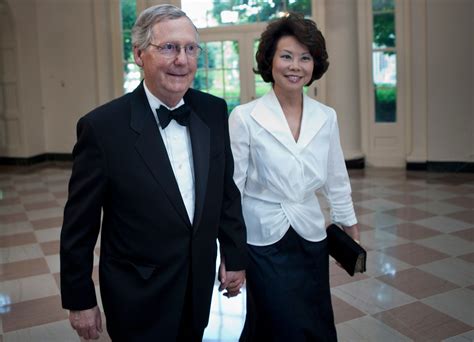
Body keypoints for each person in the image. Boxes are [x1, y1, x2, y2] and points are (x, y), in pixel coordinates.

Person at [60, 4, 247, 341]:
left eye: (191, 48)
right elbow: (79, 225)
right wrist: (80, 298)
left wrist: (234, 255)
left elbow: (226, 193)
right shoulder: (102, 128)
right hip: (137, 293)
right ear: (138, 54)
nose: (182, 60)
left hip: (198, 285)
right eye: (169, 48)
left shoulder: (213, 110)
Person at [229, 13, 360, 341]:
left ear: (315, 65)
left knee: (314, 316)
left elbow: (335, 179)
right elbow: (232, 190)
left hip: (310, 234)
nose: (295, 66)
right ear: (269, 60)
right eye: (286, 56)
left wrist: (351, 230)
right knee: (275, 321)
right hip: (262, 238)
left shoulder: (325, 117)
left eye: (305, 58)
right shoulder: (244, 117)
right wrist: (231, 254)